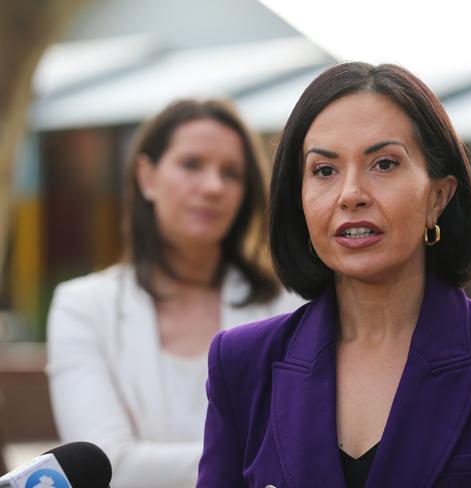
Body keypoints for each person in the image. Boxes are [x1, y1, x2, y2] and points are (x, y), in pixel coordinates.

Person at [197, 63, 471, 487]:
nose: (351, 195)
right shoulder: (241, 364)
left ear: (439, 196)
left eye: (384, 164)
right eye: (324, 170)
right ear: (300, 199)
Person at [46, 99, 303, 488]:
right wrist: (246, 460)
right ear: (146, 177)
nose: (214, 186)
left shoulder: (289, 303)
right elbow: (106, 464)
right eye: (192, 164)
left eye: (231, 173)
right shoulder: (83, 307)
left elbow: (302, 449)